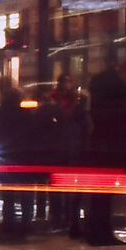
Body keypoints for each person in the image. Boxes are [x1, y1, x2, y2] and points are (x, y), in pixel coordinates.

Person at [81, 57, 126, 245]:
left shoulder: (99, 85)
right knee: (105, 194)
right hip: (112, 147)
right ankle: (102, 233)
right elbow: (122, 120)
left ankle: (95, 232)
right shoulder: (117, 89)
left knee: (99, 193)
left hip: (98, 145)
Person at [43, 78, 90, 239]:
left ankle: (59, 221)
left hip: (59, 153)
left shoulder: (56, 110)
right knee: (72, 192)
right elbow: (85, 133)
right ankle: (70, 222)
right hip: (72, 154)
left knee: (58, 190)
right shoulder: (79, 113)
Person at [0, 82, 37, 242]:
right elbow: (33, 136)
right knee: (26, 195)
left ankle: (8, 227)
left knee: (8, 196)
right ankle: (25, 226)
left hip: (6, 158)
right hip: (24, 158)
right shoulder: (26, 115)